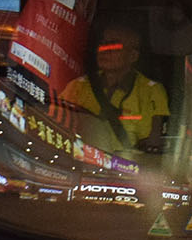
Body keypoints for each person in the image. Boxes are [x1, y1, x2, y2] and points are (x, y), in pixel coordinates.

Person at [61, 21, 168, 155]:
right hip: (79, 163)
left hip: (128, 168)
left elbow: (152, 144)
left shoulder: (151, 91)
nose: (105, 51)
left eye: (114, 46)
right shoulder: (77, 87)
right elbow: (58, 127)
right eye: (103, 44)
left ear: (133, 56)